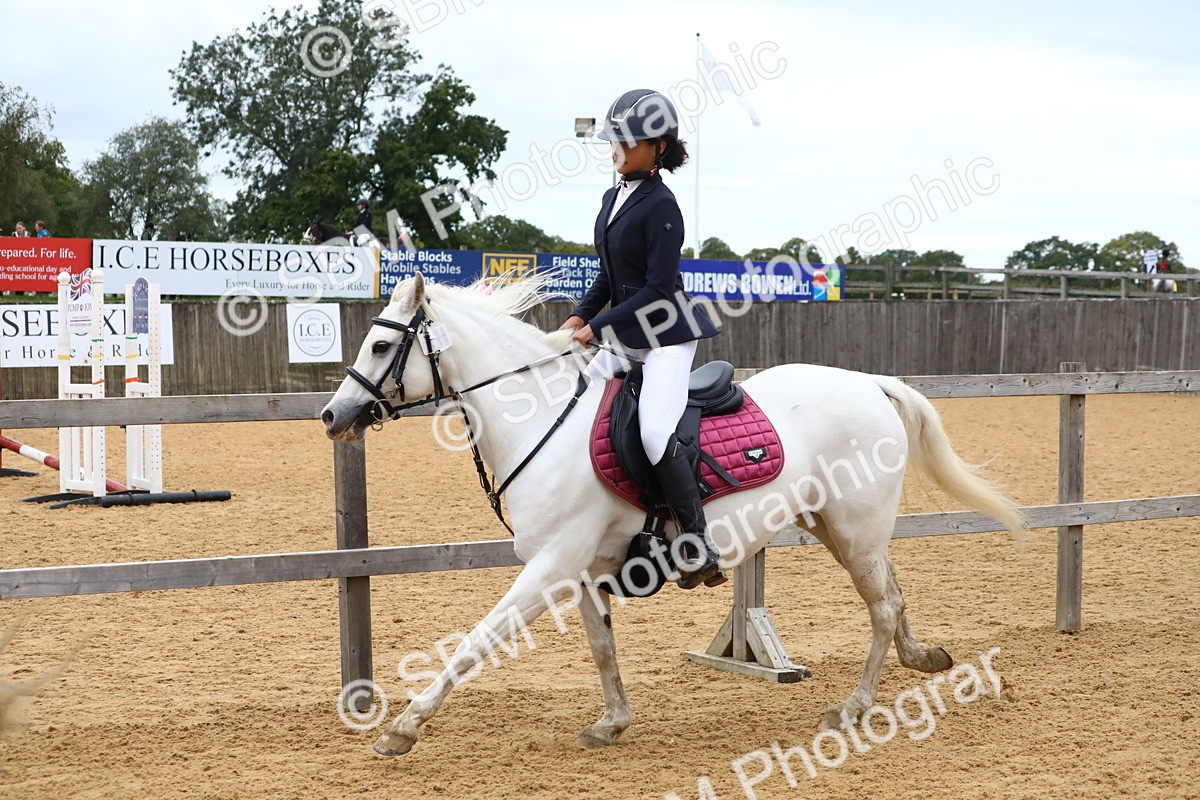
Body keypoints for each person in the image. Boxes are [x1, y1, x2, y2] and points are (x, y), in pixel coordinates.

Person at [559, 88, 723, 590]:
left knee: (654, 431)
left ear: (658, 147)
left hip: (667, 336)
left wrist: (598, 328)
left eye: (629, 142)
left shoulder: (663, 206)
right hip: (627, 334)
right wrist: (578, 316)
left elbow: (656, 290)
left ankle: (697, 543)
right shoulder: (612, 199)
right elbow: (608, 279)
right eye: (615, 141)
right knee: (574, 406)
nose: (618, 150)